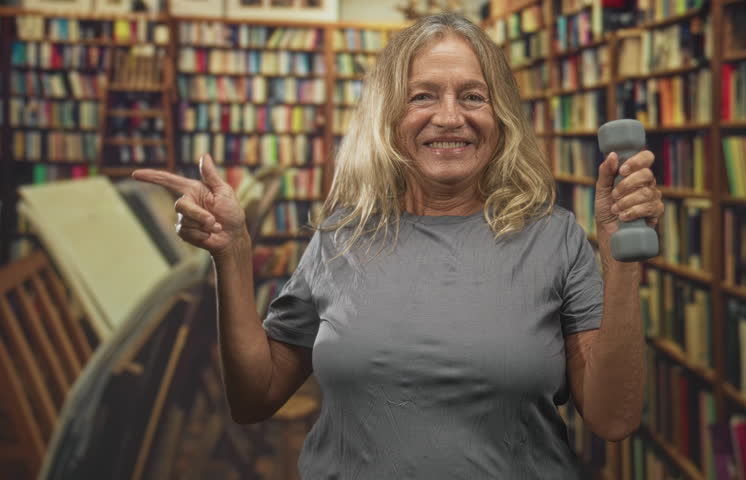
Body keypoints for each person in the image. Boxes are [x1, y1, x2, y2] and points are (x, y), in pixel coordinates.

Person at [133, 13, 664, 479]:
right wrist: (232, 253)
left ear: (500, 118)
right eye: (423, 96)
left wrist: (621, 261)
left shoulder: (557, 238)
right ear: (389, 117)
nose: (450, 117)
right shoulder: (342, 236)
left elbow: (613, 419)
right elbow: (254, 397)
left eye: (473, 96)